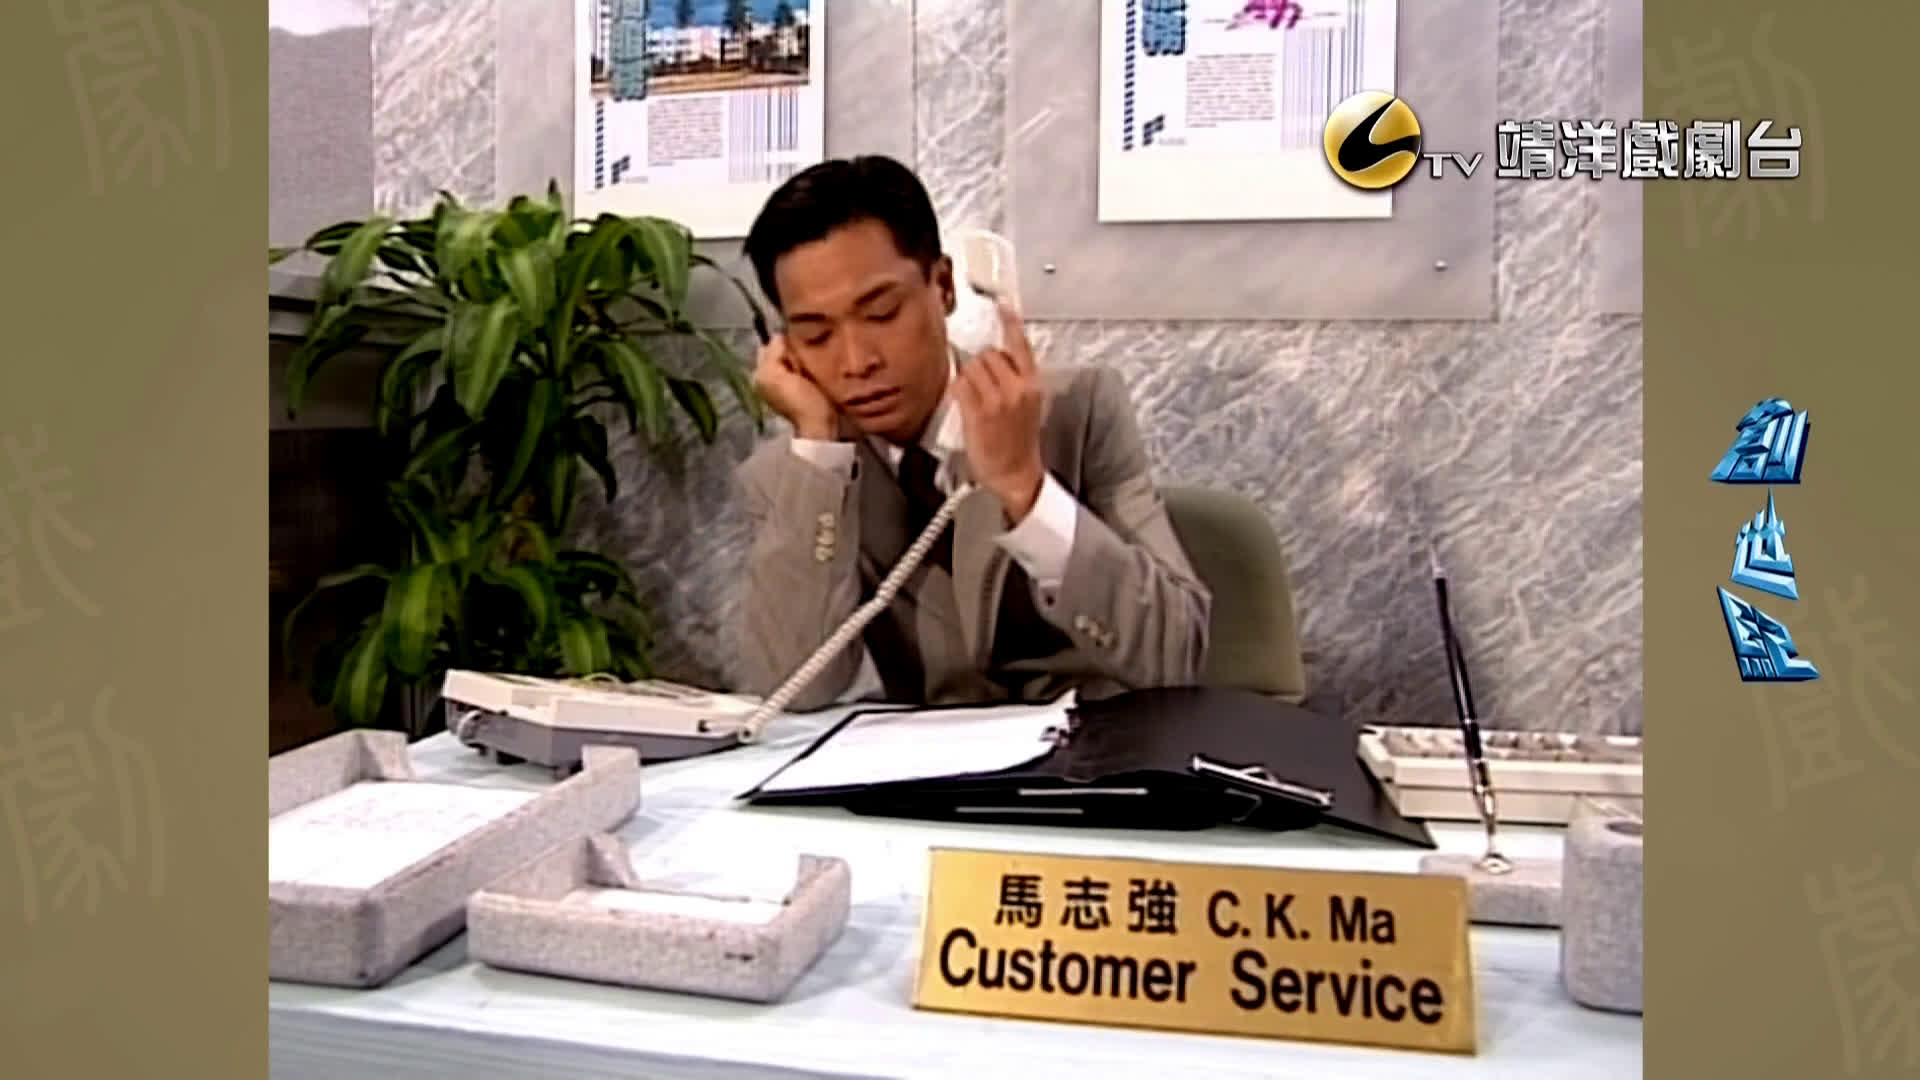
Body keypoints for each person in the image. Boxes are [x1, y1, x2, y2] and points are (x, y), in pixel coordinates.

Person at [735, 155, 1211, 710]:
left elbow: (1175, 655)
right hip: (925, 760)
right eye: (816, 336)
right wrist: (819, 445)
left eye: (882, 313)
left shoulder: (1075, 411)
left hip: (1093, 745)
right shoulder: (799, 477)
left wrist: (1026, 489)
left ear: (943, 286)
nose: (857, 362)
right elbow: (793, 689)